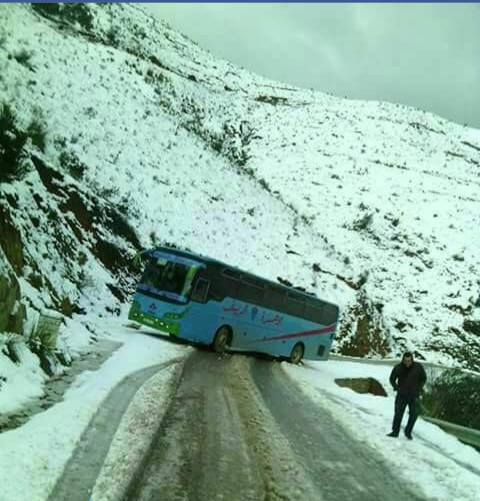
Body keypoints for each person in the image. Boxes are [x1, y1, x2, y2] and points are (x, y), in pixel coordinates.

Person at [387, 352, 427, 440]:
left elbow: (423, 378)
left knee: (414, 415)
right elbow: (392, 379)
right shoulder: (398, 367)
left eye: (409, 361)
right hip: (402, 395)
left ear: (412, 360)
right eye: (405, 361)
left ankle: (408, 432)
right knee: (398, 414)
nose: (407, 363)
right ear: (403, 360)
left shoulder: (418, 367)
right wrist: (396, 387)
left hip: (414, 395)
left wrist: (419, 387)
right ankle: (395, 432)